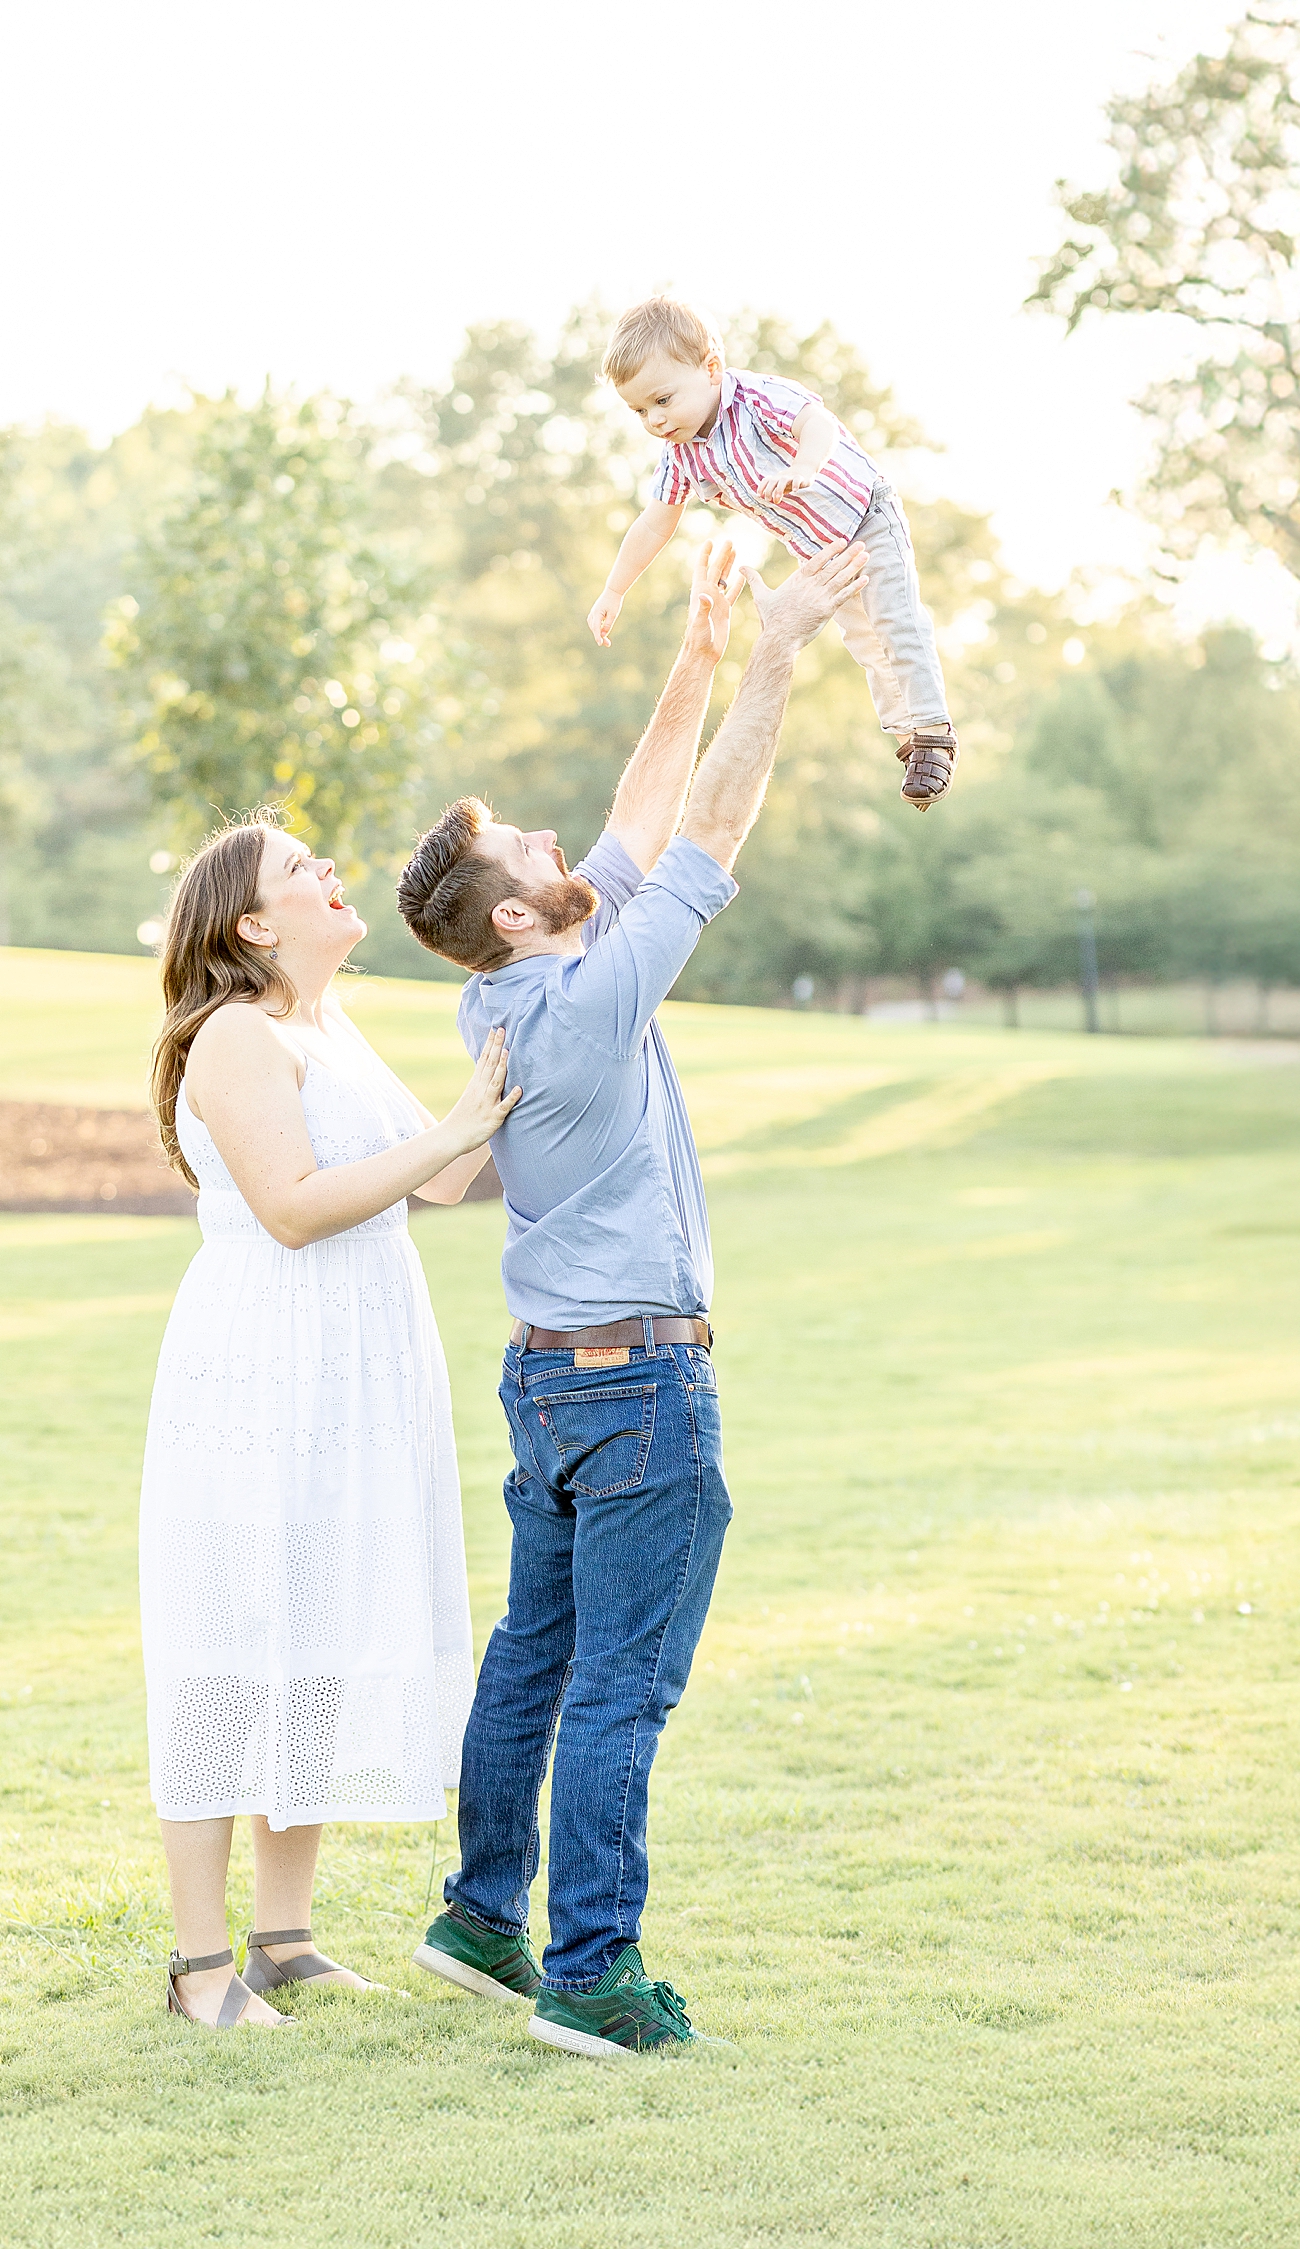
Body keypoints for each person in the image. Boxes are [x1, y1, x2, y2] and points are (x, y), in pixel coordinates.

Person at [395, 532, 868, 2057]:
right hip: (636, 1386)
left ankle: (481, 1914)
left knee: (534, 1653)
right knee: (618, 1688)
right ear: (523, 913)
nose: (558, 837)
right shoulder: (591, 1002)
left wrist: (700, 643)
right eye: (528, 847)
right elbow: (710, 827)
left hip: (551, 1376)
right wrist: (786, 649)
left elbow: (639, 804)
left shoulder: (508, 978)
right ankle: (594, 1977)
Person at [141, 810, 519, 2029]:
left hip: (358, 1375)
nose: (329, 871)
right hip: (263, 1374)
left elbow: (455, 1170)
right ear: (254, 923)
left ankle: (287, 1936)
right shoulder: (235, 1034)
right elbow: (295, 1208)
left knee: (312, 1633)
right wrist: (455, 1130)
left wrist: (540, 1038)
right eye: (300, 869)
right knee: (226, 1652)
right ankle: (202, 1968)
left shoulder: (328, 1023)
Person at [586, 293, 956, 812]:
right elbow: (654, 525)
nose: (653, 419)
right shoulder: (682, 456)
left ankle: (934, 729)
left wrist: (805, 466)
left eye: (663, 400)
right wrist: (614, 589)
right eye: (639, 410)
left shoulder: (758, 398)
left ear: (711, 368)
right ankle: (907, 733)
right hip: (823, 548)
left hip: (867, 512)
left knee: (895, 620)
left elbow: (818, 425)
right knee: (863, 639)